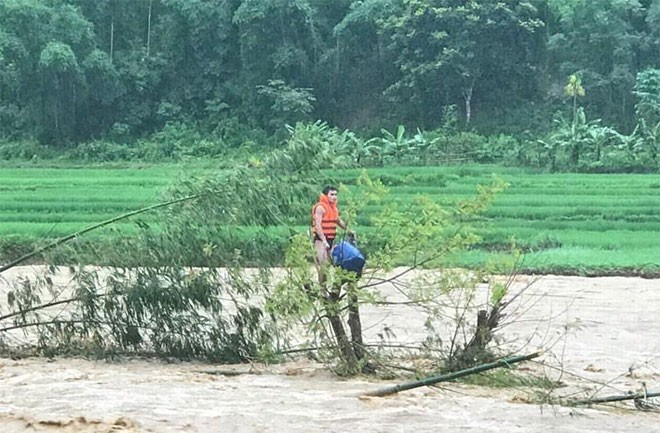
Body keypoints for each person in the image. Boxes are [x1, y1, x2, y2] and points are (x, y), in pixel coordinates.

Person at [311, 185, 347, 272]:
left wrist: (348, 228)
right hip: (320, 240)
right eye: (332, 194)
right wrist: (324, 240)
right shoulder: (320, 208)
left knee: (331, 265)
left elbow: (338, 221)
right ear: (325, 196)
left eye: (335, 194)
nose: (334, 197)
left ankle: (329, 284)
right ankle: (322, 285)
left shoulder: (333, 209)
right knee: (324, 265)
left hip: (331, 240)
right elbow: (318, 225)